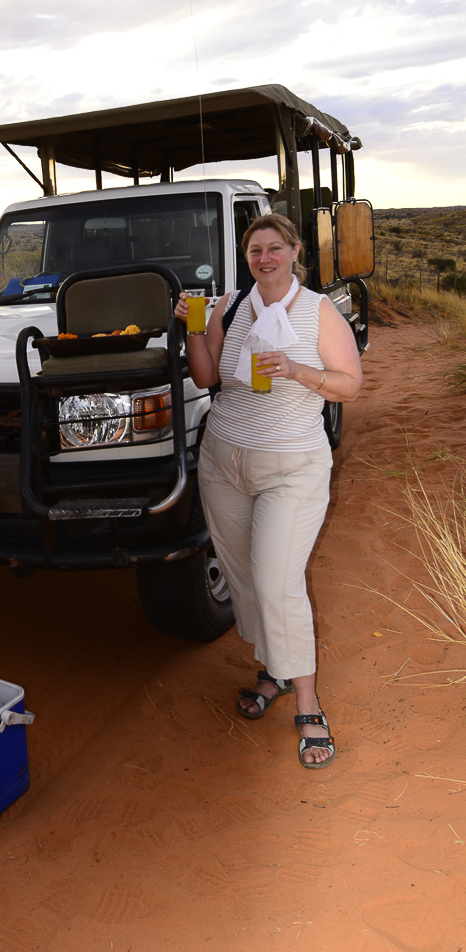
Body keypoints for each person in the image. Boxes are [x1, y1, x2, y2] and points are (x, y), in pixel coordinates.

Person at [175, 214, 362, 768]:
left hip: (292, 468)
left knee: (279, 583)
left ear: (295, 251)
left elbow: (350, 384)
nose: (265, 258)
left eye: (275, 247)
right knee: (245, 580)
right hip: (223, 465)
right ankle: (275, 671)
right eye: (255, 250)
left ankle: (307, 702)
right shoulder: (230, 306)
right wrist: (192, 327)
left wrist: (298, 370)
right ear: (247, 257)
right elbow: (207, 378)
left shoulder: (318, 311)